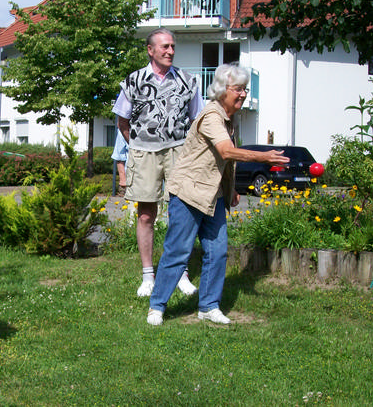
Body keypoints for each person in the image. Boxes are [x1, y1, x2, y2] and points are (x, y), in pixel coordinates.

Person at [146, 64, 290, 326]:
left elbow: (220, 162)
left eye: (245, 89)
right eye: (238, 89)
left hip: (213, 195)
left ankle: (208, 306)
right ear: (223, 90)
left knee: (217, 251)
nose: (243, 94)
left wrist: (231, 188)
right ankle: (157, 307)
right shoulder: (212, 115)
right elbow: (225, 152)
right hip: (190, 192)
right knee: (178, 251)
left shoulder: (228, 118)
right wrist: (263, 156)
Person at [113, 28, 204, 297]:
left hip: (178, 152)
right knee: (145, 215)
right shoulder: (133, 81)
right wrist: (138, 145)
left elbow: (197, 122)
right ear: (150, 50)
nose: (170, 51)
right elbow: (122, 120)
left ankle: (181, 273)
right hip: (144, 153)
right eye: (164, 46)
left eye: (173, 46)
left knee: (182, 214)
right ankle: (148, 276)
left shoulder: (188, 81)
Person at [111, 129, 128, 197]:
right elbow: (119, 157)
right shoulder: (123, 129)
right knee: (132, 206)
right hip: (131, 179)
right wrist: (123, 181)